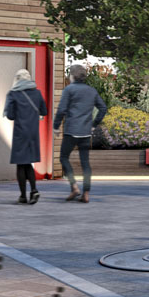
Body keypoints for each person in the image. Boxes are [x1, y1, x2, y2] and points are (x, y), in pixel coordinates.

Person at [54, 64, 107, 203]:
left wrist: (56, 126)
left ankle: (74, 187)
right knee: (85, 163)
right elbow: (103, 108)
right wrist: (94, 124)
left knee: (63, 158)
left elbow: (61, 110)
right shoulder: (91, 91)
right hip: (85, 132)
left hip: (71, 131)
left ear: (72, 76)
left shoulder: (69, 89)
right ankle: (86, 194)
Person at [3, 68, 47, 204]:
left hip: (20, 133)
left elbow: (10, 116)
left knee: (21, 165)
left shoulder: (13, 94)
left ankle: (23, 196)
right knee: (28, 163)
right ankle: (34, 191)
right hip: (33, 134)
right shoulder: (37, 93)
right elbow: (44, 111)